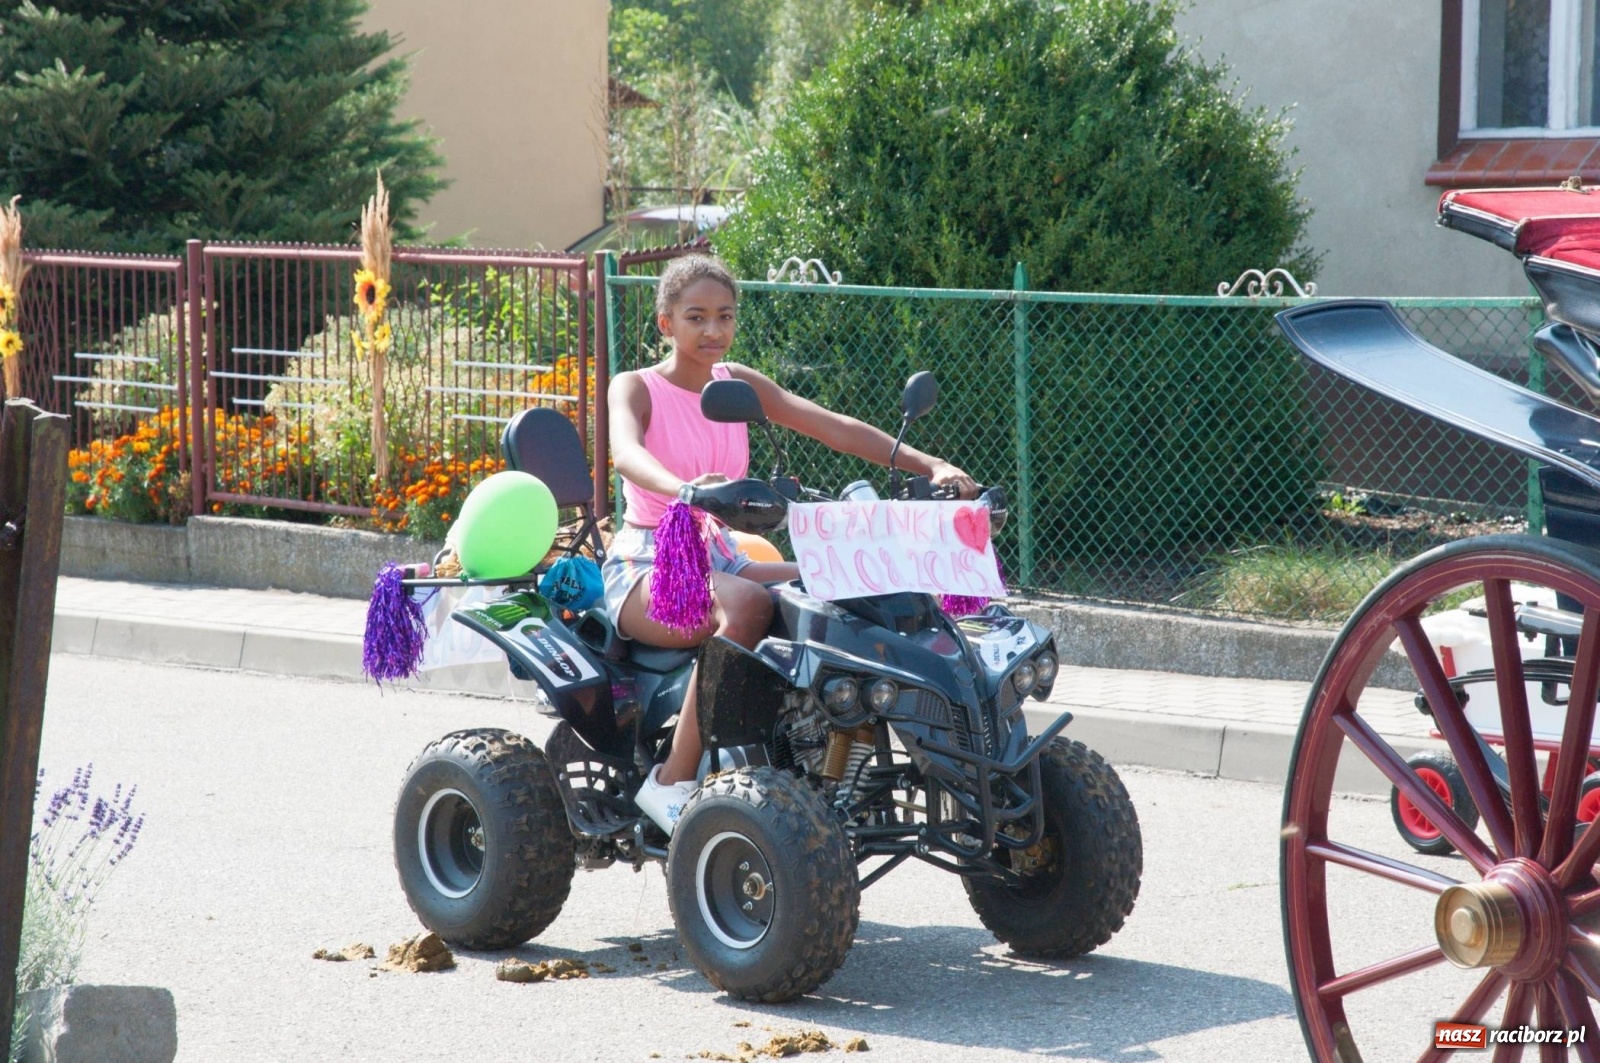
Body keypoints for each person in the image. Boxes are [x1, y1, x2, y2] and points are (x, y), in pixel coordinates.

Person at [605, 254, 978, 834]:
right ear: (665, 324)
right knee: (750, 605)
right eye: (696, 317)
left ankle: (817, 760)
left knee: (833, 587)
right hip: (652, 559)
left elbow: (833, 426)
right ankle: (672, 780)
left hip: (722, 553)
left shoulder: (739, 385)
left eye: (724, 317)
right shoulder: (637, 387)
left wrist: (930, 463)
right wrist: (685, 490)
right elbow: (625, 453)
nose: (712, 331)